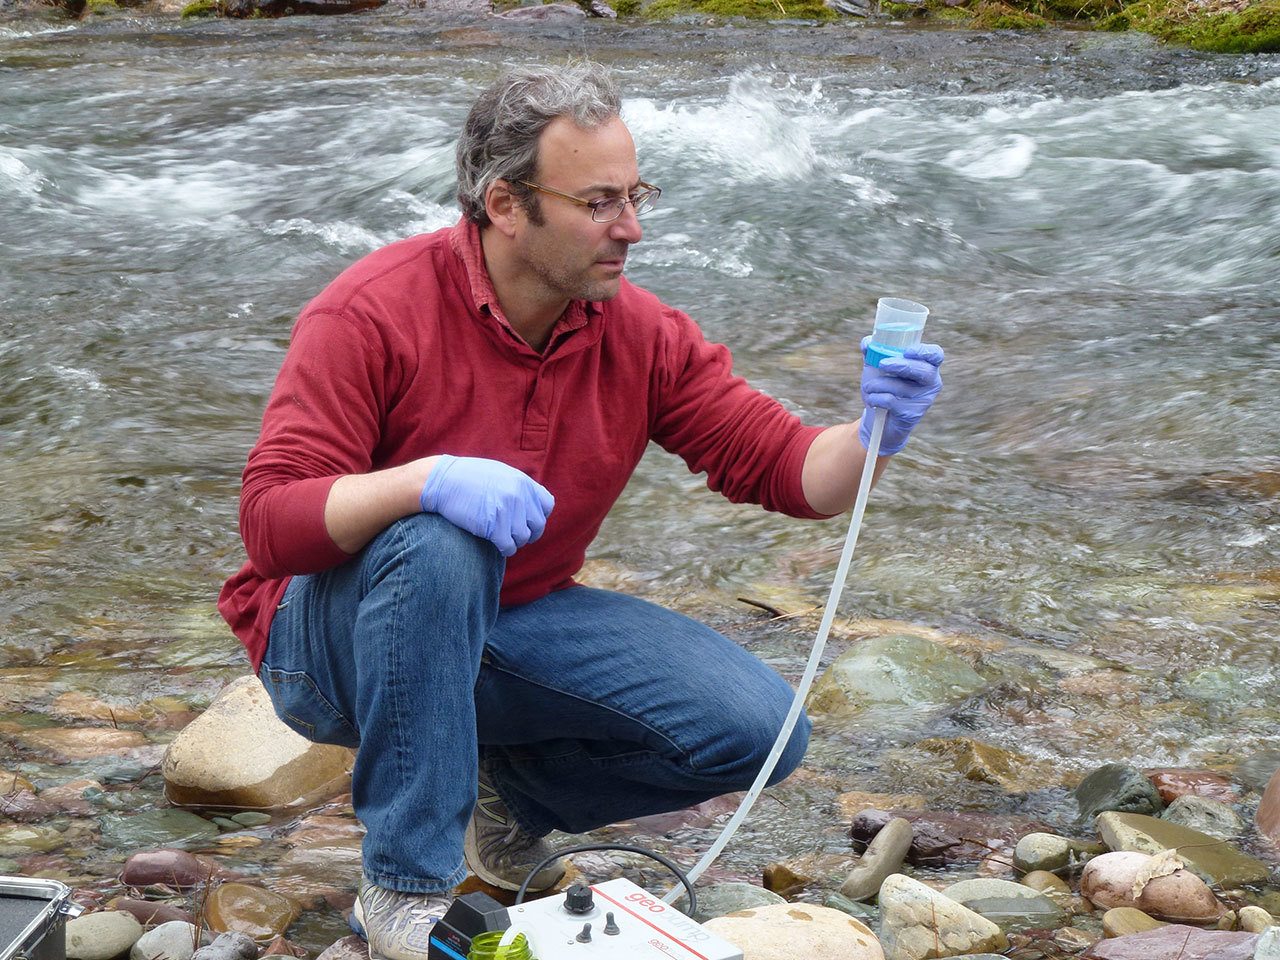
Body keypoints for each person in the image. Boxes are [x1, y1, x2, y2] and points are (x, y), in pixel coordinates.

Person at [218, 61, 943, 960]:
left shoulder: (636, 332)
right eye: (599, 203)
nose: (631, 227)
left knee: (760, 733)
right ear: (506, 205)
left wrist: (873, 429)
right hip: (327, 644)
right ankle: (404, 889)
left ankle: (501, 804)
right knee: (442, 540)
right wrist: (424, 480)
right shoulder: (370, 311)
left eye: (637, 195)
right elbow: (271, 521)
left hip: (511, 625)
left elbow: (790, 473)